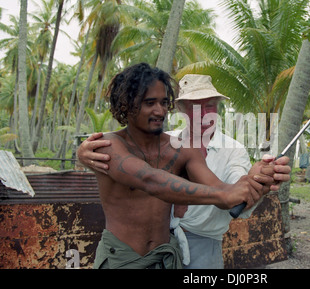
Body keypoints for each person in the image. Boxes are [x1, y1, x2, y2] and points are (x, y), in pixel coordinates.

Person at [78, 73, 291, 269]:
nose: (204, 115)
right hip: (160, 246)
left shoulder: (234, 151)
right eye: (196, 107)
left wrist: (257, 181)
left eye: (210, 106)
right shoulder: (162, 140)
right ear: (181, 109)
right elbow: (136, 172)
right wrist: (84, 153)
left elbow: (236, 197)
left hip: (203, 246)